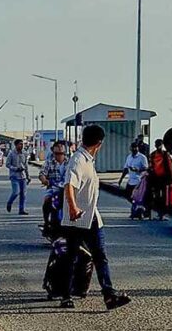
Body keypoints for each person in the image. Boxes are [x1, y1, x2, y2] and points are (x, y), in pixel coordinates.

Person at [58, 124, 131, 311]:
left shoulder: (87, 159)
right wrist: (73, 208)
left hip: (90, 217)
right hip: (76, 219)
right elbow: (69, 185)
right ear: (99, 143)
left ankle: (109, 295)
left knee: (100, 256)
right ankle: (65, 296)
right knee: (71, 257)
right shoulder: (78, 160)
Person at [39, 141, 68, 236]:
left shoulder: (70, 163)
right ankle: (46, 222)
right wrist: (44, 180)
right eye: (57, 153)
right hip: (53, 188)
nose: (59, 156)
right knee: (47, 200)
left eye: (61, 153)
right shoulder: (49, 162)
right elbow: (42, 173)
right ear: (53, 153)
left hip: (68, 189)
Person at [119, 142, 148, 218]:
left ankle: (138, 211)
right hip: (130, 181)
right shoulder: (129, 157)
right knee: (128, 196)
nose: (134, 149)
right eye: (132, 147)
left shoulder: (142, 157)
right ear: (130, 148)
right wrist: (121, 179)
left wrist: (137, 169)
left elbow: (146, 168)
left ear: (138, 148)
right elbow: (126, 168)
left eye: (135, 147)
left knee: (138, 197)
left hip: (138, 181)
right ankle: (135, 208)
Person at [147, 139, 172, 220]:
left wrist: (171, 179)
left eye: (160, 144)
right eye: (157, 144)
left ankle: (161, 214)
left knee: (164, 197)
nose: (158, 146)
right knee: (156, 196)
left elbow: (170, 167)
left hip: (164, 179)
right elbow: (150, 166)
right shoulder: (152, 155)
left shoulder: (166, 155)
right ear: (155, 145)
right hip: (155, 179)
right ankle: (158, 213)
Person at [5, 138, 30, 215]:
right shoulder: (11, 154)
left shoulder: (24, 153)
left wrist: (28, 176)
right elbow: (7, 164)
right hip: (14, 176)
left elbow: (26, 165)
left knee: (23, 194)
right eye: (20, 144)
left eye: (22, 144)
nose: (21, 146)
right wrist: (15, 168)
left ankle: (21, 209)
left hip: (23, 176)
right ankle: (9, 203)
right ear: (16, 145)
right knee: (16, 192)